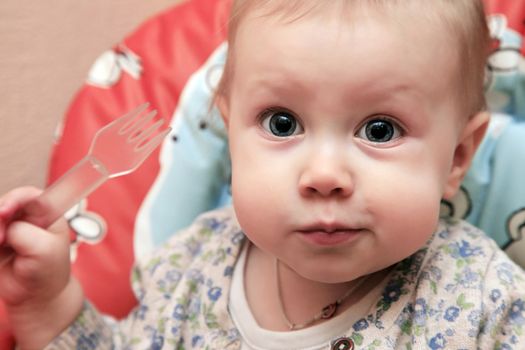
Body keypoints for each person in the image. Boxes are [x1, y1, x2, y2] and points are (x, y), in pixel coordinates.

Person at [1, 0, 525, 349]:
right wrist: (47, 304)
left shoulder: (484, 301)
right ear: (230, 135)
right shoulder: (189, 271)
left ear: (456, 158)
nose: (324, 175)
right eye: (282, 123)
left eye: (381, 130)